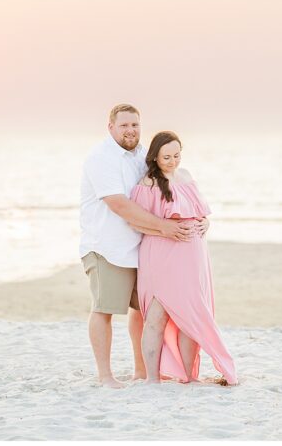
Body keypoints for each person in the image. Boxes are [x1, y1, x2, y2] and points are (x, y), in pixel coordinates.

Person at [79, 104, 202, 388]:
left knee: (142, 311)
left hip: (142, 247)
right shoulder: (102, 158)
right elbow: (119, 204)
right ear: (110, 127)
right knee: (104, 308)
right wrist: (165, 228)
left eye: (135, 124)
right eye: (124, 125)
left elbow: (159, 191)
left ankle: (140, 370)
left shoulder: (142, 155)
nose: (130, 130)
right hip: (107, 247)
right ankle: (106, 376)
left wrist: (197, 221)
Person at [130, 130, 238, 386]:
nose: (172, 161)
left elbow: (200, 213)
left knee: (191, 315)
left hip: (193, 256)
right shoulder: (147, 185)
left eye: (176, 155)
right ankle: (152, 379)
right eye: (166, 156)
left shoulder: (186, 176)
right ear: (155, 157)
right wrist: (165, 229)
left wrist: (205, 224)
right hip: (161, 255)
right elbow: (136, 223)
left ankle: (189, 377)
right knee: (157, 316)